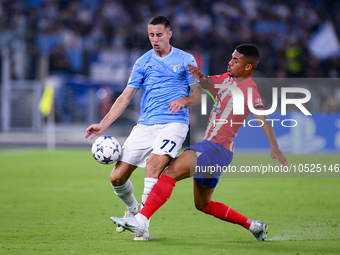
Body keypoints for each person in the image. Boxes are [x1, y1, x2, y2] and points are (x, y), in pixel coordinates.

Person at [111, 44, 289, 241]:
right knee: (203, 204)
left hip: (215, 148)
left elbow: (262, 118)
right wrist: (193, 71)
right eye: (231, 58)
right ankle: (254, 226)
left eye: (236, 60)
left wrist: (275, 147)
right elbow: (205, 82)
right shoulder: (226, 79)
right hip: (220, 153)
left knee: (169, 174)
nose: (230, 62)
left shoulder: (249, 89)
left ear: (248, 67)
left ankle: (141, 221)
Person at [85, 16, 202, 241]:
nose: (155, 39)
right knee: (117, 177)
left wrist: (184, 101)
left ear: (169, 34)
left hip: (173, 124)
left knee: (153, 166)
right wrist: (103, 124)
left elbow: (198, 93)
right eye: (151, 35)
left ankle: (142, 225)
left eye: (159, 35)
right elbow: (126, 96)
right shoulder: (143, 61)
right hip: (145, 125)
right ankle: (133, 210)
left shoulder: (186, 59)